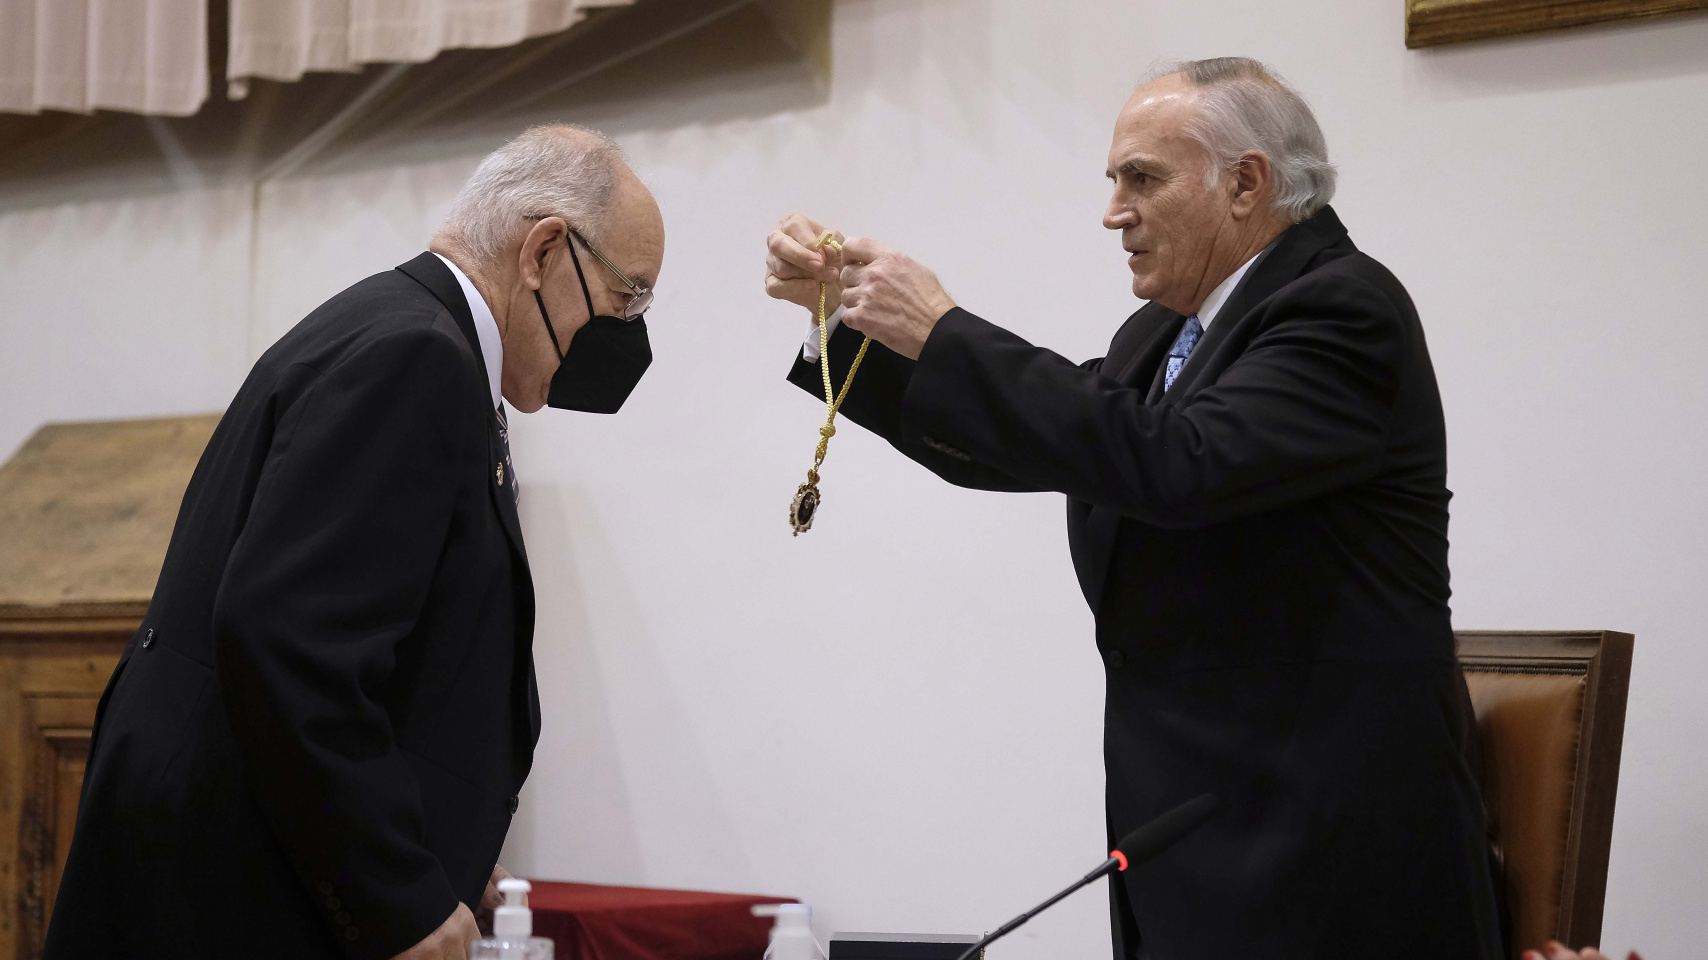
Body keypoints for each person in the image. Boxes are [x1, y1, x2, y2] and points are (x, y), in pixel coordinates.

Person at [765, 58, 1501, 958]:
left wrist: (948, 329)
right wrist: (849, 325)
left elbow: (1176, 465)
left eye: (1141, 179)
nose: (1113, 211)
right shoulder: (1161, 333)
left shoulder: (1344, 308)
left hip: (1325, 853)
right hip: (1191, 829)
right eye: (1114, 180)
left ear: (1246, 183)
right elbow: (1057, 443)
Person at [46, 124, 664, 960]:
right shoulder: (415, 356)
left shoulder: (404, 332)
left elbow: (386, 641)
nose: (631, 334)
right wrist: (398, 894)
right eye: (628, 298)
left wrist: (439, 837)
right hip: (231, 892)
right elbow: (289, 641)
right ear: (544, 251)